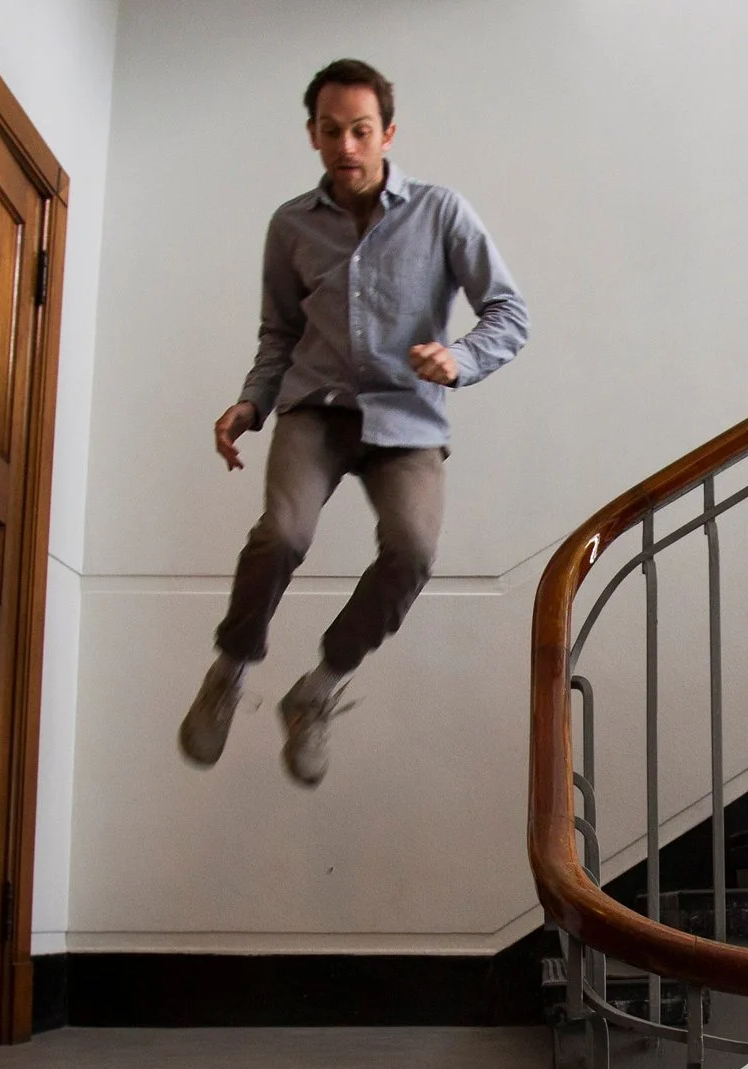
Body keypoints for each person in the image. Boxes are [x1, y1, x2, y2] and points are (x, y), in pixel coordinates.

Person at [180, 58, 529, 785]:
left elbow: (509, 313)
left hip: (408, 419)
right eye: (332, 131)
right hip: (316, 408)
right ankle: (231, 667)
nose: (347, 146)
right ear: (312, 135)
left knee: (412, 552)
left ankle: (317, 692)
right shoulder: (291, 226)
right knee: (283, 533)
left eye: (361, 131)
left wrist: (461, 359)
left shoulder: (441, 213)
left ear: (387, 133)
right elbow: (278, 334)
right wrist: (251, 403)